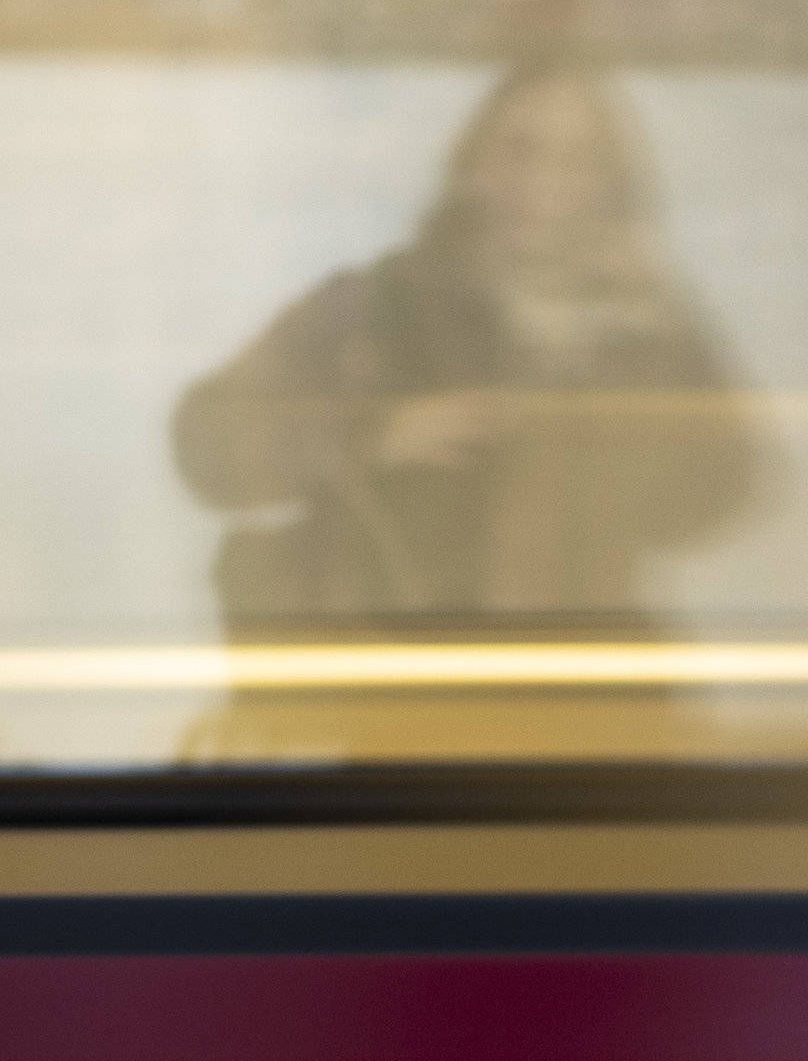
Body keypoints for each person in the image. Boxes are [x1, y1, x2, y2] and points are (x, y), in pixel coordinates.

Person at [175, 58, 766, 749]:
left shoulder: (639, 332)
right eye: (521, 148)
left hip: (599, 714)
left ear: (612, 184)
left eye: (581, 159)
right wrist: (371, 434)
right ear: (473, 162)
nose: (545, 181)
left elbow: (722, 491)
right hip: (409, 720)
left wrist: (660, 334)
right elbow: (204, 439)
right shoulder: (380, 308)